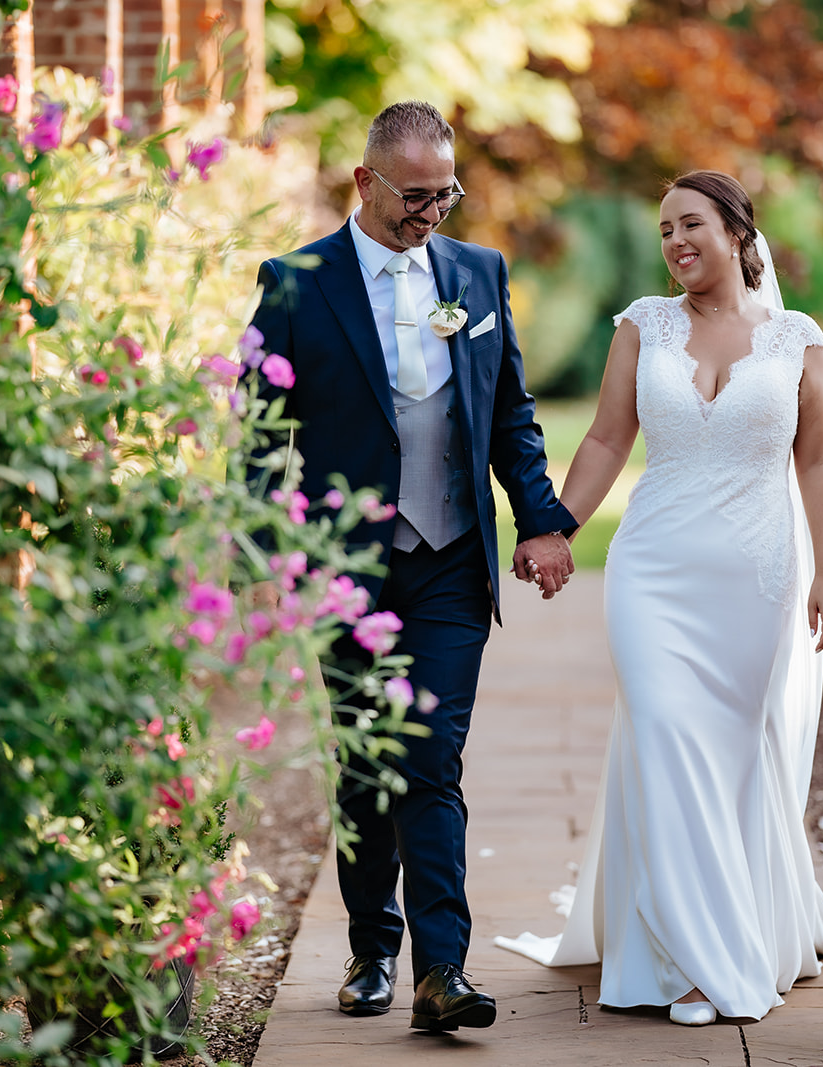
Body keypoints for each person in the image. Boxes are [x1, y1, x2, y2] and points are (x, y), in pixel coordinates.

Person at [495, 170, 823, 1024]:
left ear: (740, 234)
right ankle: (697, 964)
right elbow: (605, 436)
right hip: (653, 569)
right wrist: (556, 525)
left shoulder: (798, 341)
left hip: (753, 577)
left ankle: (719, 931)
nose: (675, 244)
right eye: (665, 230)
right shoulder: (644, 325)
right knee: (668, 736)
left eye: (691, 226)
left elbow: (820, 462)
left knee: (726, 752)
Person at [247, 101, 577, 1031]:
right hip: (345, 566)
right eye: (417, 197)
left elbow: (510, 411)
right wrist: (263, 554)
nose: (434, 213)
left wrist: (540, 520)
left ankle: (443, 970)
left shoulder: (477, 272)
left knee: (430, 759)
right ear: (366, 183)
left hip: (447, 561)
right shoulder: (295, 281)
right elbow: (257, 432)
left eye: (448, 194)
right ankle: (372, 945)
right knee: (365, 767)